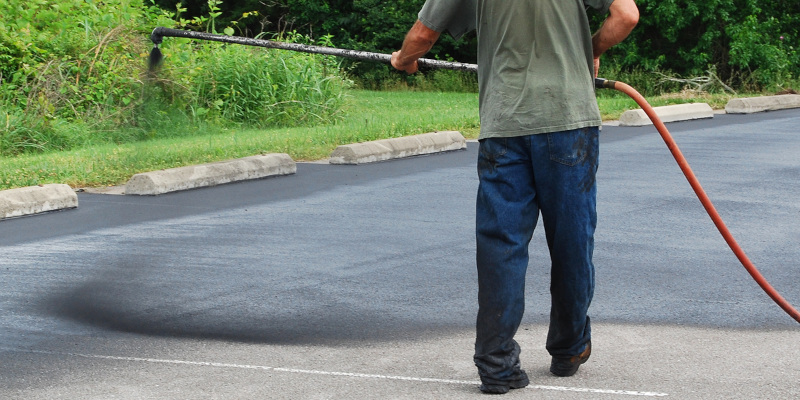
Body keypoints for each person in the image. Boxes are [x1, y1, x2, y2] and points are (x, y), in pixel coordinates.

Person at [391, 0, 639, 395]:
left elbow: (422, 36)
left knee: (501, 245)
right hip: (568, 121)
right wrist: (588, 51)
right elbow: (626, 15)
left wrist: (404, 59)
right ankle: (569, 348)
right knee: (572, 241)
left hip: (505, 125)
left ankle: (496, 365)